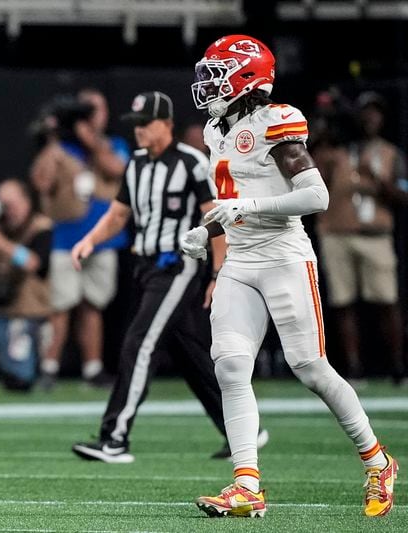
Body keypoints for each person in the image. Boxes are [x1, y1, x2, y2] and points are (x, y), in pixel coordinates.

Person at [181, 34, 398, 518]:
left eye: (216, 74)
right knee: (230, 366)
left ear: (247, 77)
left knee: (311, 368)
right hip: (239, 260)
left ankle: (377, 459)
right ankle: (246, 485)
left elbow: (315, 197)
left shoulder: (276, 120)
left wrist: (242, 208)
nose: (207, 85)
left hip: (283, 257)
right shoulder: (217, 129)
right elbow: (235, 201)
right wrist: (206, 228)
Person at [70, 91, 264, 462]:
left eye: (146, 123)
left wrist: (219, 272)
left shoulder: (192, 162)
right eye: (136, 124)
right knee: (189, 353)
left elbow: (216, 220)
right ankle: (244, 429)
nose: (139, 131)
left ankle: (115, 437)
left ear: (167, 124)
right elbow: (118, 214)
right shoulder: (137, 163)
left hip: (178, 265)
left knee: (139, 343)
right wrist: (90, 241)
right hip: (145, 267)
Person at [30, 94, 128, 389]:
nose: (89, 117)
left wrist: (92, 141)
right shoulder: (60, 148)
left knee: (92, 305)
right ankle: (49, 368)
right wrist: (53, 139)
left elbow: (118, 169)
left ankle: (92, 369)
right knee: (60, 306)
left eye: (94, 110)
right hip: (67, 237)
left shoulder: (112, 144)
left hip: (103, 238)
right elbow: (42, 183)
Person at [315, 91, 408, 386]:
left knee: (387, 300)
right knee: (343, 302)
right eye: (365, 111)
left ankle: (398, 367)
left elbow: (403, 196)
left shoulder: (390, 153)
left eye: (376, 112)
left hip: (375, 234)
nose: (370, 117)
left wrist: (377, 179)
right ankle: (353, 369)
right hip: (337, 231)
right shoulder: (336, 151)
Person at [0, 179, 53, 390]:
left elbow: (34, 263)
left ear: (25, 202)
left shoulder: (40, 226)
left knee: (20, 378)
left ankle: (7, 364)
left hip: (19, 309)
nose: (7, 211)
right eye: (2, 204)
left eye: (11, 204)